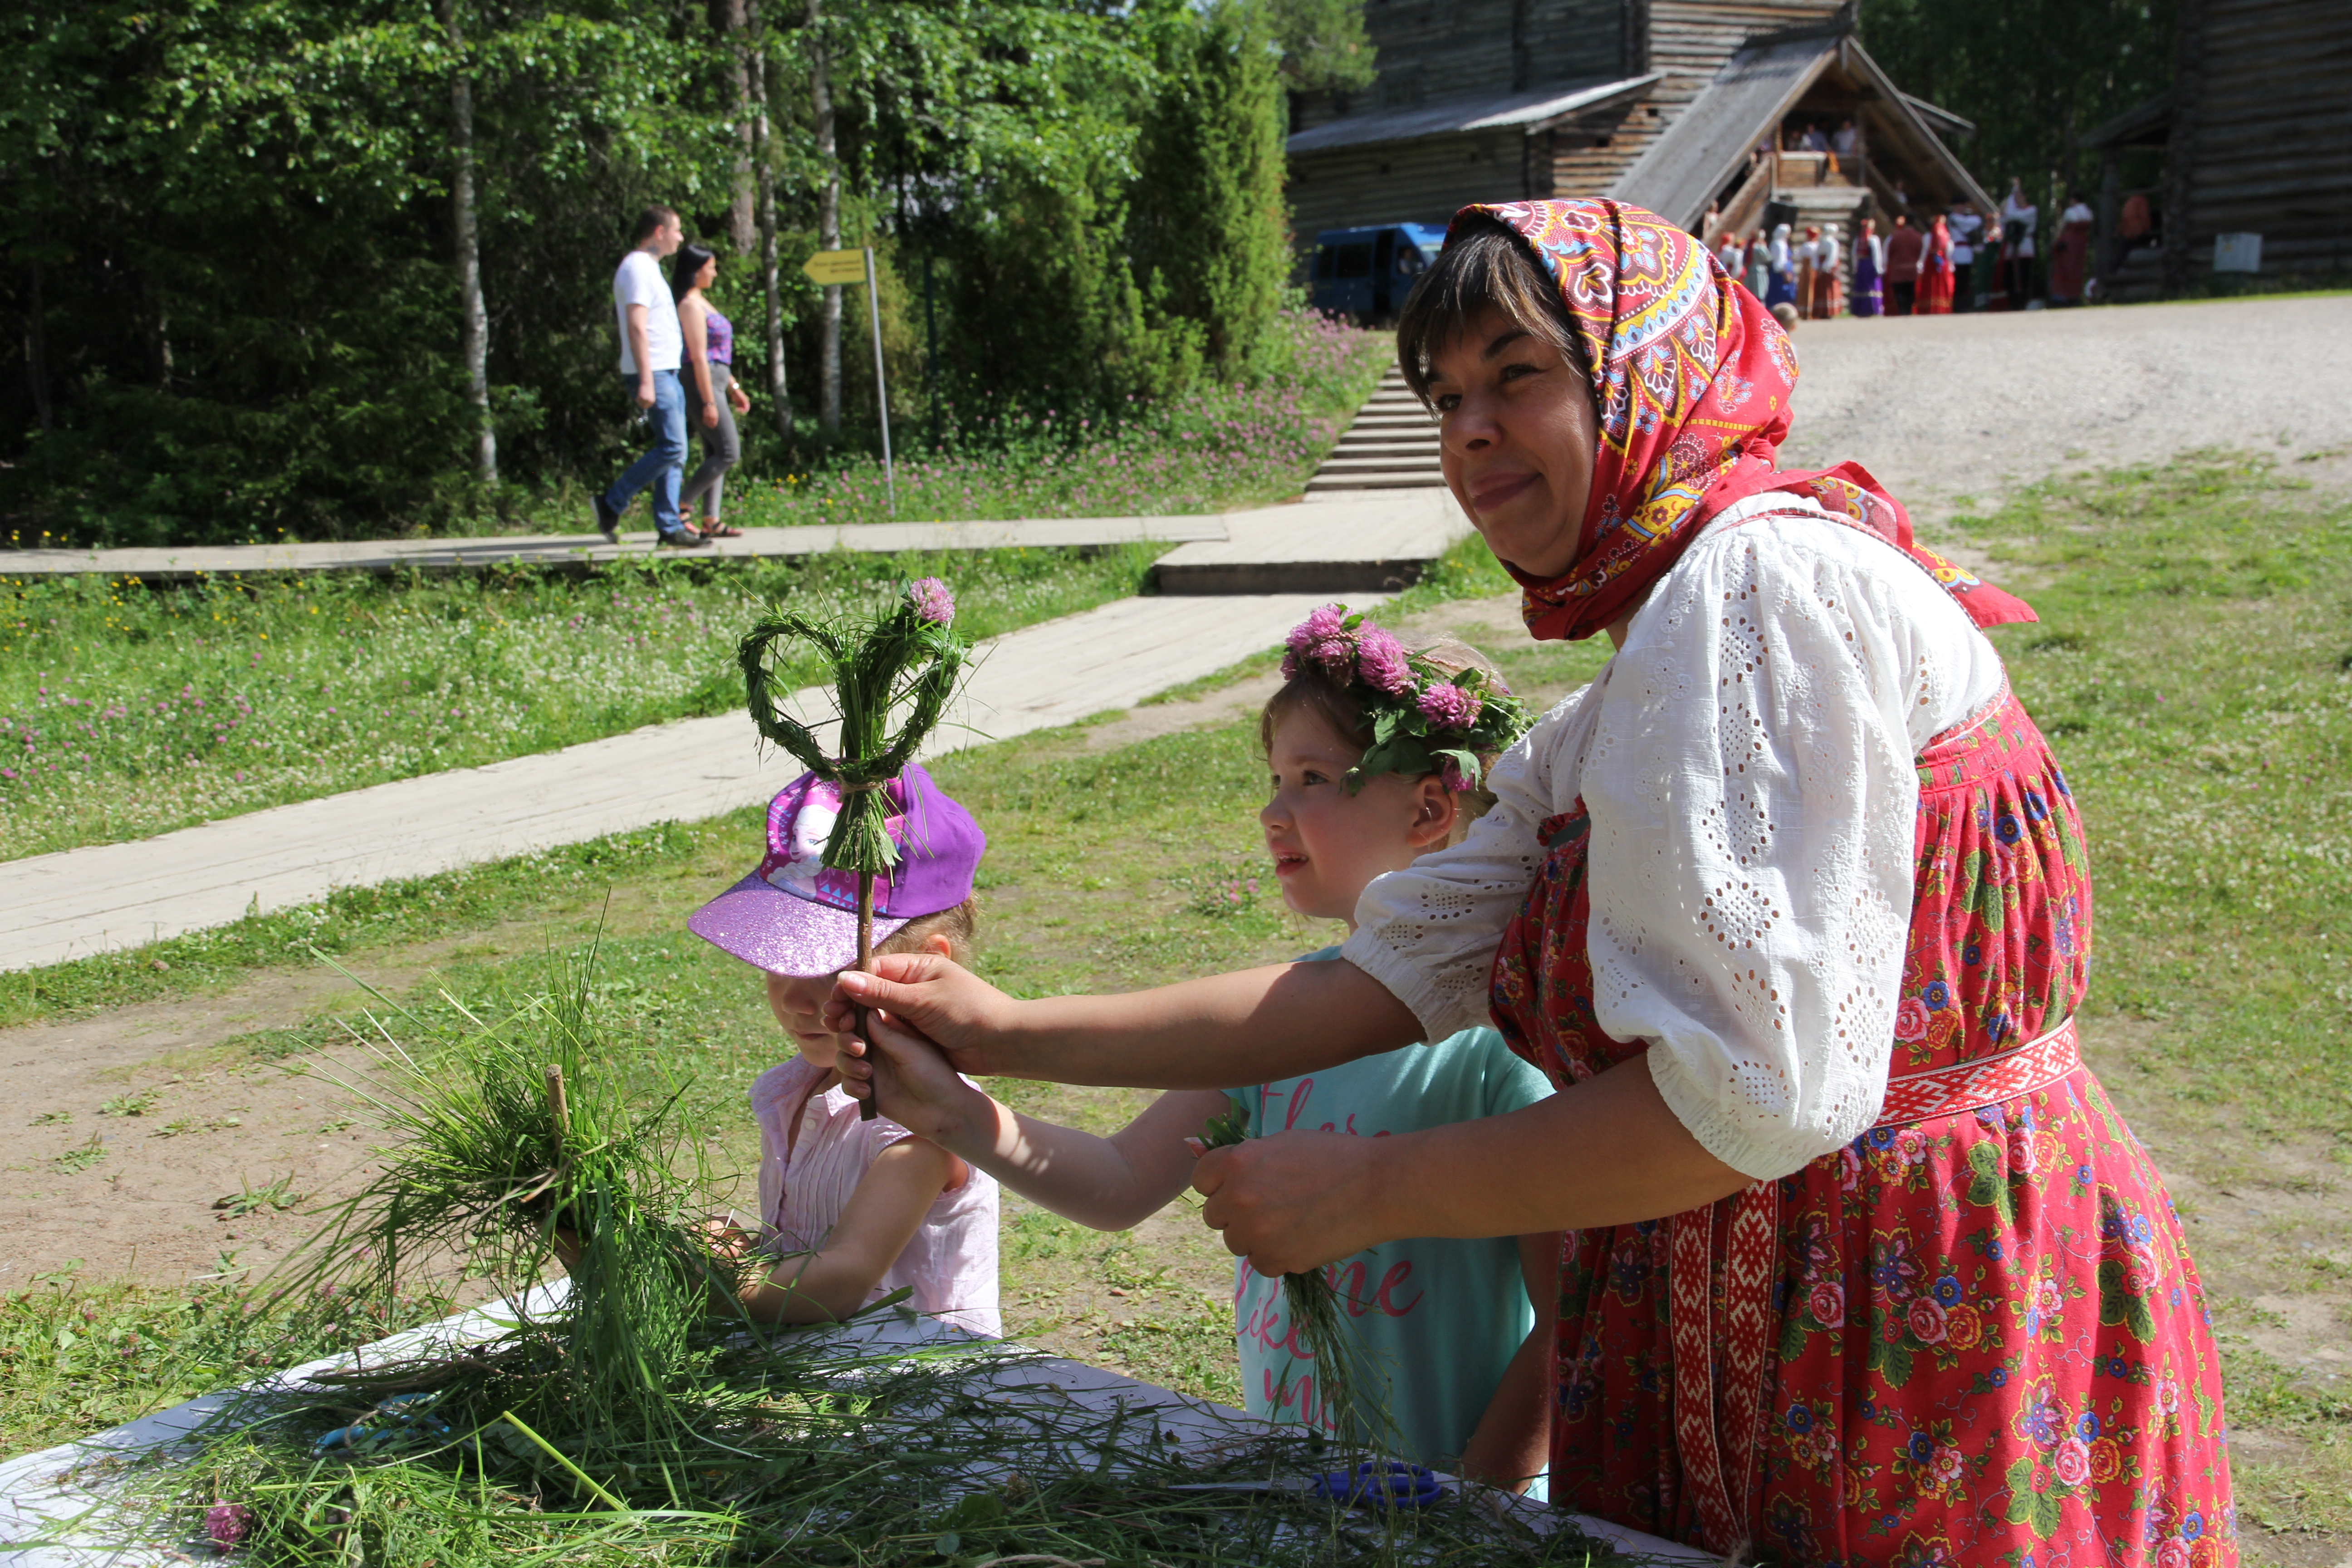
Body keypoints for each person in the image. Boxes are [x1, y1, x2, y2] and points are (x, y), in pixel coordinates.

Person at [828, 198, 2235, 1566]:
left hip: (1904, 1315)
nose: (1471, 432)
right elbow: (1378, 978)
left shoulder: (1758, 594)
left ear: (1650, 379)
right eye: (1443, 397)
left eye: (1516, 379)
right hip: (1815, 1297)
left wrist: (1370, 1192)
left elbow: (1761, 1095)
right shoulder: (1646, 668)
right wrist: (1002, 1026)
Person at [864, 632, 1558, 1486]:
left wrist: (1468, 1504)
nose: (1273, 811)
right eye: (1274, 780)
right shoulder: (1282, 1022)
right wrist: (951, 1112)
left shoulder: (1503, 1041)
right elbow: (1121, 1178)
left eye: (1311, 779)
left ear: (1427, 808)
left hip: (1449, 1509)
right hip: (1301, 1491)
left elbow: (1566, 1326)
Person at [686, 766, 1000, 1334]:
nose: (794, 997)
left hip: (917, 1395)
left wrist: (716, 1278)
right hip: (819, 1372)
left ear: (927, 965)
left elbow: (840, 1283)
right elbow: (811, 1246)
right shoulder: (799, 1088)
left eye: (826, 968)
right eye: (776, 959)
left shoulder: (925, 1125)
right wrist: (746, 1247)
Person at [595, 206, 707, 548]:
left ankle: (669, 526)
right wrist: (645, 378)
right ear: (659, 232)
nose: (681, 237)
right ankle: (612, 502)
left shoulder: (649, 268)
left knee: (676, 451)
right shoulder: (638, 268)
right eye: (677, 230)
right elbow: (636, 325)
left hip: (664, 371)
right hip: (654, 372)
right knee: (673, 447)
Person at [672, 244, 750, 539]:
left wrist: (734, 388)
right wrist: (708, 401)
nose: (715, 272)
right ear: (696, 270)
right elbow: (699, 355)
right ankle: (681, 507)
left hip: (717, 379)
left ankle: (711, 520)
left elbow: (720, 355)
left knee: (715, 451)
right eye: (711, 267)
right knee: (729, 451)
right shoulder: (690, 306)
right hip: (700, 381)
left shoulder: (702, 302)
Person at [1999, 176, 2039, 309]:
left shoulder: (2031, 210)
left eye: (2019, 196)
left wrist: (2015, 189)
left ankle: (2022, 303)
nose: (2016, 199)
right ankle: (2013, 302)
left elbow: (2011, 215)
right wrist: (2014, 189)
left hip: (2024, 247)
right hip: (2012, 248)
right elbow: (2004, 218)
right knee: (2009, 277)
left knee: (2023, 276)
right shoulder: (2015, 211)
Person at [2048, 192, 2096, 305]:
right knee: (2077, 269)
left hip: (2068, 244)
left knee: (2064, 269)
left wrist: (2055, 242)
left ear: (2074, 200)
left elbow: (2061, 228)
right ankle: (2076, 296)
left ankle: (2062, 297)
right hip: (2081, 244)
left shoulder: (2070, 212)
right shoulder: (2089, 213)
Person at [1884, 212, 1923, 315]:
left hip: (1897, 270)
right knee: (1910, 292)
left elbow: (1889, 253)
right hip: (1912, 269)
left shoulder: (1895, 237)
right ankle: (1909, 311)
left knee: (1899, 292)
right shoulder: (1918, 237)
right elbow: (1921, 253)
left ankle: (1902, 311)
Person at [1947, 205, 1984, 311]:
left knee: (1965, 280)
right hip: (1957, 252)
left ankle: (1962, 303)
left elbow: (1977, 221)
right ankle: (1956, 305)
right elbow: (1973, 222)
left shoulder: (1967, 219)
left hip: (1967, 253)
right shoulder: (1953, 218)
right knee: (1958, 280)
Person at [1919, 213, 1955, 314]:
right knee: (1943, 285)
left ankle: (1929, 308)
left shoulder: (1927, 237)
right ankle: (1943, 308)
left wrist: (1921, 264)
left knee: (1930, 284)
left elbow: (1924, 252)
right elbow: (1949, 252)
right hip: (1943, 263)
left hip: (1930, 262)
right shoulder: (1947, 236)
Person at [1850, 215, 1884, 317]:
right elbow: (1877, 255)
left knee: (1862, 287)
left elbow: (1854, 255)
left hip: (1861, 265)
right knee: (1871, 286)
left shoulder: (1858, 240)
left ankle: (1860, 309)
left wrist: (1855, 267)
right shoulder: (1874, 239)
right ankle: (1873, 309)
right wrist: (1878, 268)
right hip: (1870, 265)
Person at [1812, 221, 1842, 318]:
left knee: (1822, 289)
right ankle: (1829, 311)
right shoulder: (1832, 242)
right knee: (1829, 288)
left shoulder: (1821, 241)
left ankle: (1822, 311)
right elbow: (1832, 257)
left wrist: (1819, 268)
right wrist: (1826, 268)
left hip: (1822, 267)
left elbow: (1816, 256)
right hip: (1829, 268)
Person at [1766, 223, 1797, 309]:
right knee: (1781, 294)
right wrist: (1785, 274)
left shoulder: (1780, 243)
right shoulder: (1779, 245)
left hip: (1784, 272)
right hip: (1781, 274)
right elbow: (1780, 262)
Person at [1744, 230, 1772, 302]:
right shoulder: (1760, 248)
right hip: (1760, 271)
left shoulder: (1749, 247)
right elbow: (1768, 258)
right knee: (1760, 293)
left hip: (1750, 271)